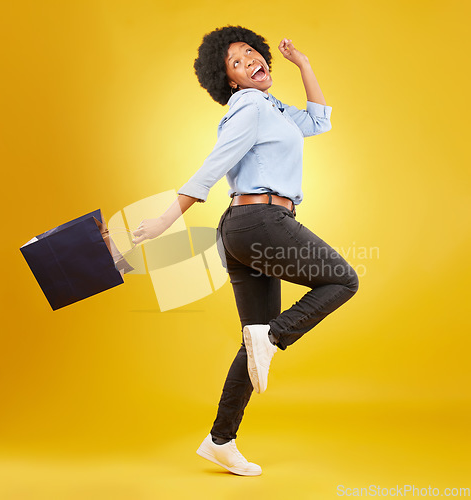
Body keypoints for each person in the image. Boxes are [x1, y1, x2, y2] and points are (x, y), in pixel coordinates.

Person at [132, 25, 359, 476]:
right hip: (261, 222)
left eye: (252, 52)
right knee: (342, 279)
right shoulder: (250, 106)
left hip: (245, 230)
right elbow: (213, 165)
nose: (251, 60)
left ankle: (221, 439)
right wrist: (164, 220)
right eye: (236, 62)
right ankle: (274, 337)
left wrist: (304, 64)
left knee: (251, 341)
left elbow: (318, 121)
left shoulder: (271, 107)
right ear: (230, 81)